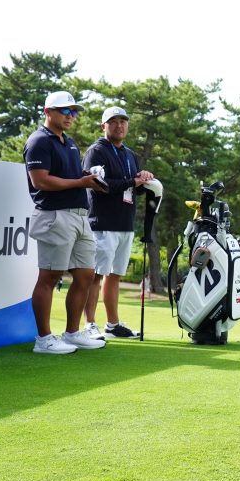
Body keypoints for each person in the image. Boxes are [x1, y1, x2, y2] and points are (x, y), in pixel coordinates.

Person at [23, 91, 109, 354]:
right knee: (50, 276)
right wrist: (81, 182)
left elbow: (70, 176)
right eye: (65, 111)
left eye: (73, 112)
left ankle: (72, 333)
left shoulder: (69, 143)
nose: (71, 116)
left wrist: (88, 178)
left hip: (80, 216)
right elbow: (41, 180)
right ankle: (43, 339)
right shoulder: (39, 141)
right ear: (48, 112)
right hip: (54, 215)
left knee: (85, 275)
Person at [81, 106, 155, 340]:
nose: (119, 125)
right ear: (104, 125)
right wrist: (132, 181)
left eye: (123, 121)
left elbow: (135, 189)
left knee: (115, 275)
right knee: (95, 275)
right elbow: (100, 185)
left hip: (125, 223)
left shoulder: (130, 154)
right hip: (102, 223)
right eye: (113, 121)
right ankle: (89, 324)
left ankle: (112, 325)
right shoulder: (96, 151)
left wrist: (143, 180)